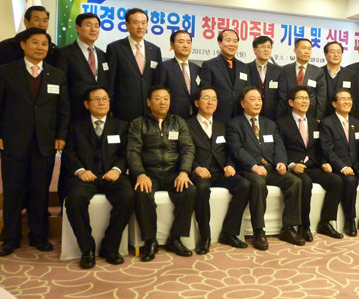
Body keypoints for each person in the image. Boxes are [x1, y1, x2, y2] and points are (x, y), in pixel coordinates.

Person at [0, 28, 70, 256]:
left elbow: (63, 110)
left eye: (44, 44)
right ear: (23, 45)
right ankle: (10, 238)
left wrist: (61, 135)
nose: (40, 47)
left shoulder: (56, 75)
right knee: (13, 191)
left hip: (45, 143)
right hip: (13, 142)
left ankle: (39, 235)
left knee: (40, 191)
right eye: (35, 42)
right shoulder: (6, 72)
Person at [63, 87, 134, 269]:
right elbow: (69, 153)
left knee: (128, 195)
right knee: (74, 199)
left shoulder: (121, 126)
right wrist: (80, 171)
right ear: (86, 104)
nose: (102, 102)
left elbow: (126, 153)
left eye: (105, 99)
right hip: (85, 176)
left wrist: (117, 170)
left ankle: (110, 247)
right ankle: (87, 249)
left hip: (112, 175)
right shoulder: (75, 126)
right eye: (96, 99)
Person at [226, 86, 305, 250]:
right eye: (252, 99)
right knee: (258, 184)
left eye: (259, 99)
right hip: (248, 169)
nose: (257, 103)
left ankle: (288, 228)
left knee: (295, 182)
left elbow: (278, 146)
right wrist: (253, 166)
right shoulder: (234, 124)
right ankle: (259, 231)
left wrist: (281, 162)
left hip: (270, 168)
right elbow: (236, 150)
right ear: (242, 103)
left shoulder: (269, 124)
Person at [127, 86, 197, 262]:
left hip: (173, 173)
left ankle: (176, 238)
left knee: (190, 190)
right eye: (158, 98)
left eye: (166, 98)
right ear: (149, 102)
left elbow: (188, 149)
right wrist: (140, 174)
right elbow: (133, 152)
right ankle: (150, 241)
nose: (163, 102)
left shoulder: (178, 122)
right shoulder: (138, 124)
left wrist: (184, 172)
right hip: (148, 173)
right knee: (142, 192)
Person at [54, 12, 110, 205]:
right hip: (75, 115)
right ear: (78, 28)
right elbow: (61, 89)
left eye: (96, 25)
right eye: (88, 25)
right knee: (71, 161)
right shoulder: (64, 53)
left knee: (96, 155)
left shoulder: (103, 55)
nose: (93, 29)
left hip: (98, 116)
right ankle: (65, 201)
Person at [187, 87, 250, 254]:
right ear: (196, 103)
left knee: (244, 185)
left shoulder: (222, 125)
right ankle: (205, 236)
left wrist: (230, 165)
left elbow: (229, 151)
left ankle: (229, 232)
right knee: (201, 189)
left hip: (220, 171)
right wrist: (195, 167)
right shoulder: (187, 125)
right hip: (200, 171)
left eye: (214, 99)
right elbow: (184, 152)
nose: (211, 102)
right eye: (206, 98)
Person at [277, 85, 344, 240]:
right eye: (300, 98)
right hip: (295, 167)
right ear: (291, 102)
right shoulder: (282, 123)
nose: (304, 101)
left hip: (313, 165)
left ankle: (326, 222)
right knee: (305, 183)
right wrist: (291, 165)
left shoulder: (315, 123)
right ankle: (304, 225)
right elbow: (279, 149)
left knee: (336, 181)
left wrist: (324, 162)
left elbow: (319, 148)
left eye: (307, 98)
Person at [320, 88, 359, 237]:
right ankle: (350, 219)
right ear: (334, 104)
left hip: (357, 167)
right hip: (339, 168)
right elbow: (328, 151)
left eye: (349, 99)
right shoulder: (327, 123)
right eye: (343, 99)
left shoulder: (356, 123)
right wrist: (342, 167)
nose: (347, 102)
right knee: (350, 181)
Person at [107, 8, 162, 122]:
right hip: (123, 110)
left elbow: (157, 81)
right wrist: (110, 107)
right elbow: (110, 80)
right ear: (127, 25)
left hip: (149, 110)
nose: (140, 27)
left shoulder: (155, 50)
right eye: (136, 23)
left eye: (143, 23)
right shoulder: (115, 48)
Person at [200, 29, 249, 123]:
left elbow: (246, 91)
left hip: (240, 116)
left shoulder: (244, 67)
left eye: (235, 41)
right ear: (219, 43)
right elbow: (206, 91)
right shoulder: (209, 65)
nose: (232, 44)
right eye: (228, 40)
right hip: (218, 116)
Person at [155, 30, 200, 119]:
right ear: (172, 45)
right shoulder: (164, 67)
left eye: (188, 42)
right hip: (172, 118)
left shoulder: (197, 68)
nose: (185, 45)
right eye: (181, 42)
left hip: (194, 118)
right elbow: (159, 93)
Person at [282, 38, 327, 120]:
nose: (307, 52)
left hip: (310, 116)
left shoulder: (318, 72)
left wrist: (318, 118)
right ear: (295, 50)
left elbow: (321, 98)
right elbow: (282, 96)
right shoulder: (285, 70)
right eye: (304, 48)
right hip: (287, 115)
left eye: (309, 49)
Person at [247, 36, 287, 121]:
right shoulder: (246, 68)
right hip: (250, 115)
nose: (266, 50)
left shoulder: (279, 71)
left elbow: (282, 97)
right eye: (263, 47)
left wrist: (278, 118)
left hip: (272, 118)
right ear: (254, 49)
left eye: (269, 47)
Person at [322, 41, 355, 117]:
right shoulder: (319, 73)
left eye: (339, 52)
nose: (336, 55)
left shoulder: (350, 74)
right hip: (323, 115)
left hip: (343, 115)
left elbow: (354, 97)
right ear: (325, 54)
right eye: (332, 52)